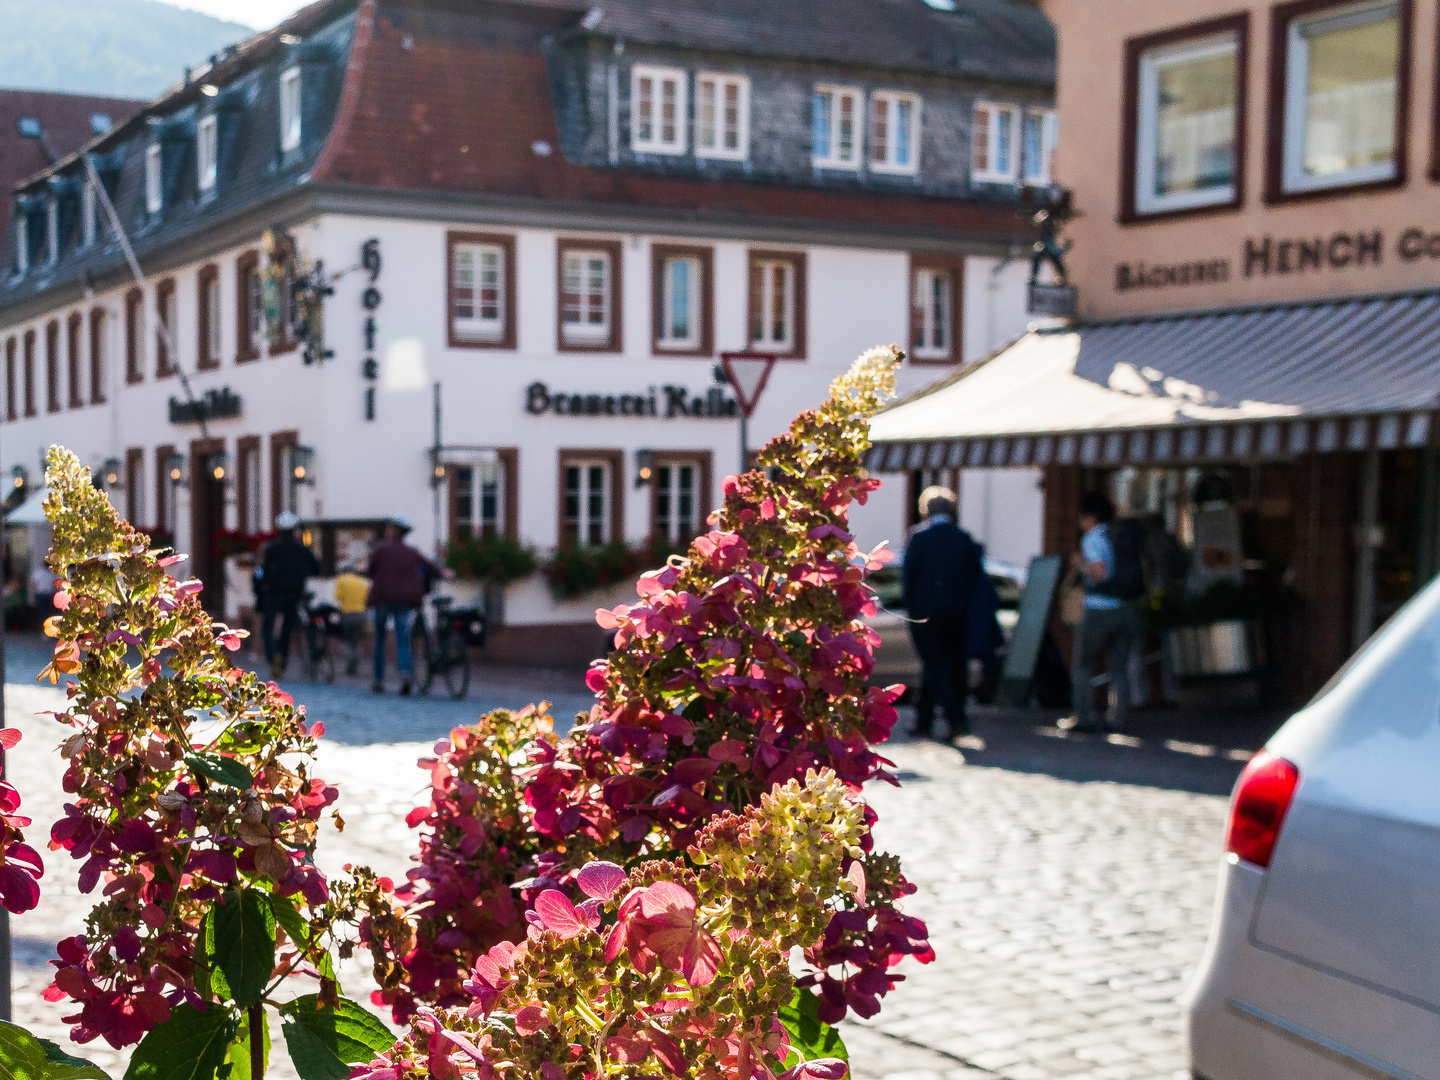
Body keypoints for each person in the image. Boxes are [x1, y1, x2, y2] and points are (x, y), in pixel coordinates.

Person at [902, 486, 984, 740]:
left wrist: (912, 610)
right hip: (957, 613)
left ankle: (953, 718)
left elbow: (908, 580)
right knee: (949, 665)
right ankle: (927, 719)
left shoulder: (919, 538)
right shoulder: (963, 538)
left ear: (926, 510)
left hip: (925, 613)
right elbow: (975, 577)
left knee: (935, 664)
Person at [1066, 491, 1144, 733]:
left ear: (1090, 517)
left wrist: (1080, 565)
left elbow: (1100, 573)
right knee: (1119, 667)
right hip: (1127, 608)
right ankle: (1118, 718)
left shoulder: (1092, 539)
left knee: (1082, 664)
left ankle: (1083, 717)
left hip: (1099, 609)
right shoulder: (1119, 536)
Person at [367, 515, 448, 695]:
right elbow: (429, 567)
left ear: (393, 530)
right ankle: (405, 675)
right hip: (403, 601)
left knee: (379, 639)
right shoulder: (411, 551)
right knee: (402, 639)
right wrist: (444, 572)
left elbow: (369, 571)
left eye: (389, 528)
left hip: (382, 599)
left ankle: (378, 680)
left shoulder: (380, 550)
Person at [259, 511, 320, 679]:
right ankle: (282, 661)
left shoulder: (272, 548)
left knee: (268, 627)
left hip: (273, 593)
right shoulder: (302, 549)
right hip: (294, 594)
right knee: (287, 629)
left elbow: (264, 572)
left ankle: (273, 656)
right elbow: (316, 568)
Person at [333, 560, 371, 677]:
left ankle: (351, 661)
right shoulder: (362, 581)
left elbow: (338, 596)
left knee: (346, 640)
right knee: (356, 640)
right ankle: (355, 662)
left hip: (346, 613)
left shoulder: (341, 579)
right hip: (361, 614)